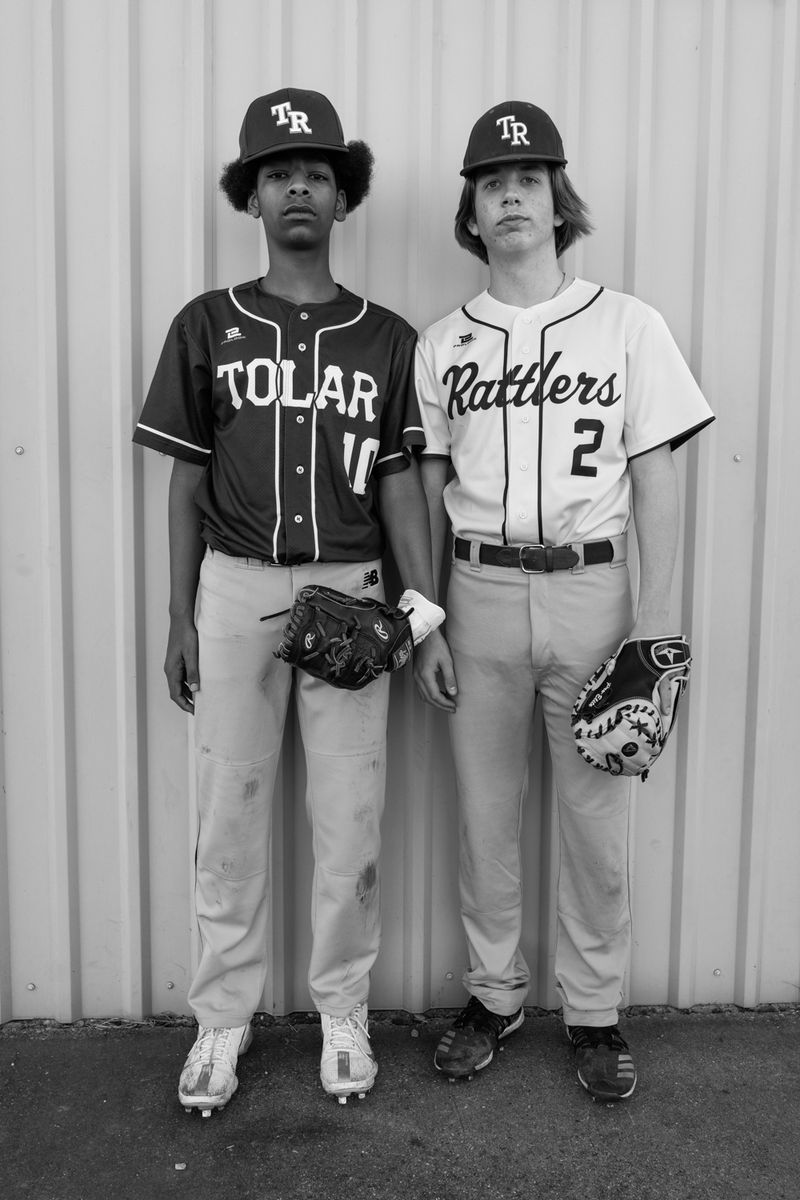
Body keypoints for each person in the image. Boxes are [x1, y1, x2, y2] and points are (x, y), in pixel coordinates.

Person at [133, 87, 450, 1112]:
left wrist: (422, 612)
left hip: (352, 595)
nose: (298, 186)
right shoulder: (206, 325)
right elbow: (185, 481)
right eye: (277, 172)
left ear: (341, 193)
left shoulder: (386, 339)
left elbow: (404, 483)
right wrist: (179, 615)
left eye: (315, 170)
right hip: (233, 591)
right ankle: (221, 1019)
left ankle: (340, 1011)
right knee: (228, 817)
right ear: (252, 195)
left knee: (347, 822)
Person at [413, 100, 714, 1101]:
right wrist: (428, 618)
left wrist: (657, 626)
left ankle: (591, 1013)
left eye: (526, 181)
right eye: (490, 184)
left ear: (556, 202)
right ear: (472, 212)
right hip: (478, 588)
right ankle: (493, 996)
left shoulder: (627, 326)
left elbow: (658, 477)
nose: (508, 196)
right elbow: (422, 485)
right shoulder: (440, 342)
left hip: (591, 588)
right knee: (485, 820)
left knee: (593, 823)